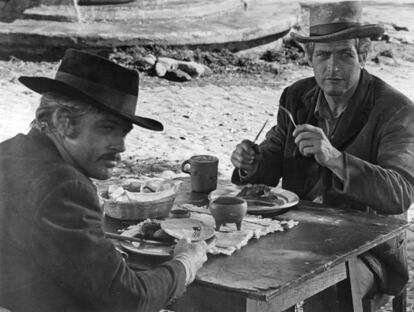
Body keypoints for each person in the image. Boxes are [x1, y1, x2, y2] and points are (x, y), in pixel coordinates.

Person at [231, 1, 414, 311]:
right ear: (309, 58)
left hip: (368, 248)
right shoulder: (296, 97)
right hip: (299, 236)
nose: (333, 68)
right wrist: (251, 163)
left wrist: (334, 158)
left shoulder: (396, 110)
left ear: (363, 55)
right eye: (323, 56)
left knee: (327, 290)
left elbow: (401, 193)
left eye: (345, 54)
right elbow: (270, 165)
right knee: (242, 276)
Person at [0, 49, 208, 312]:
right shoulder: (64, 187)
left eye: (124, 133)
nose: (121, 146)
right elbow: (129, 299)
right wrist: (186, 264)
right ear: (64, 122)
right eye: (107, 128)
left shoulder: (9, 151)